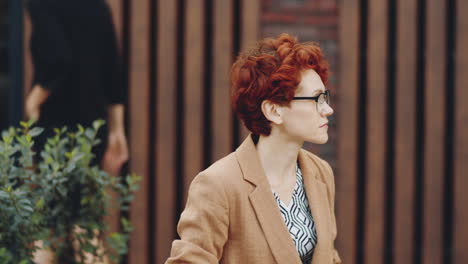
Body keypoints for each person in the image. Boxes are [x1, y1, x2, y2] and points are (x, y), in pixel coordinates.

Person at [166, 33, 341, 264]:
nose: (327, 109)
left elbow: (329, 256)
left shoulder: (320, 172)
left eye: (325, 97)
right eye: (316, 99)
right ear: (274, 111)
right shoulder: (218, 184)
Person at [25, 0, 128, 175]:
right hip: (94, 127)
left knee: (54, 197)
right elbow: (113, 72)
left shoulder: (42, 3)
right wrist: (117, 130)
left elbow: (57, 59)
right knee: (84, 199)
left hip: (56, 124)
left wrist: (33, 101)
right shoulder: (98, 6)